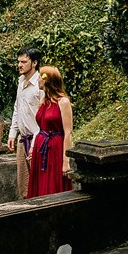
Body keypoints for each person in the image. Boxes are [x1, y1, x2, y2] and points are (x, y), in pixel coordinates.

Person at [28, 65, 75, 197]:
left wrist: (66, 161)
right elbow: (40, 127)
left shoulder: (63, 102)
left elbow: (67, 132)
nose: (37, 80)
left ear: (47, 80)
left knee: (54, 183)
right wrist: (33, 147)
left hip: (55, 148)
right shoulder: (44, 102)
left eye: (39, 78)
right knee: (40, 183)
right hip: (41, 148)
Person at [7, 48, 42, 198]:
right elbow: (17, 108)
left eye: (24, 62)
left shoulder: (40, 85)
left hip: (38, 140)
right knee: (23, 185)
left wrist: (35, 144)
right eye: (18, 62)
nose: (19, 65)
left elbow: (44, 118)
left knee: (39, 183)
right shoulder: (21, 82)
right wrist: (12, 134)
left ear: (34, 63)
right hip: (23, 139)